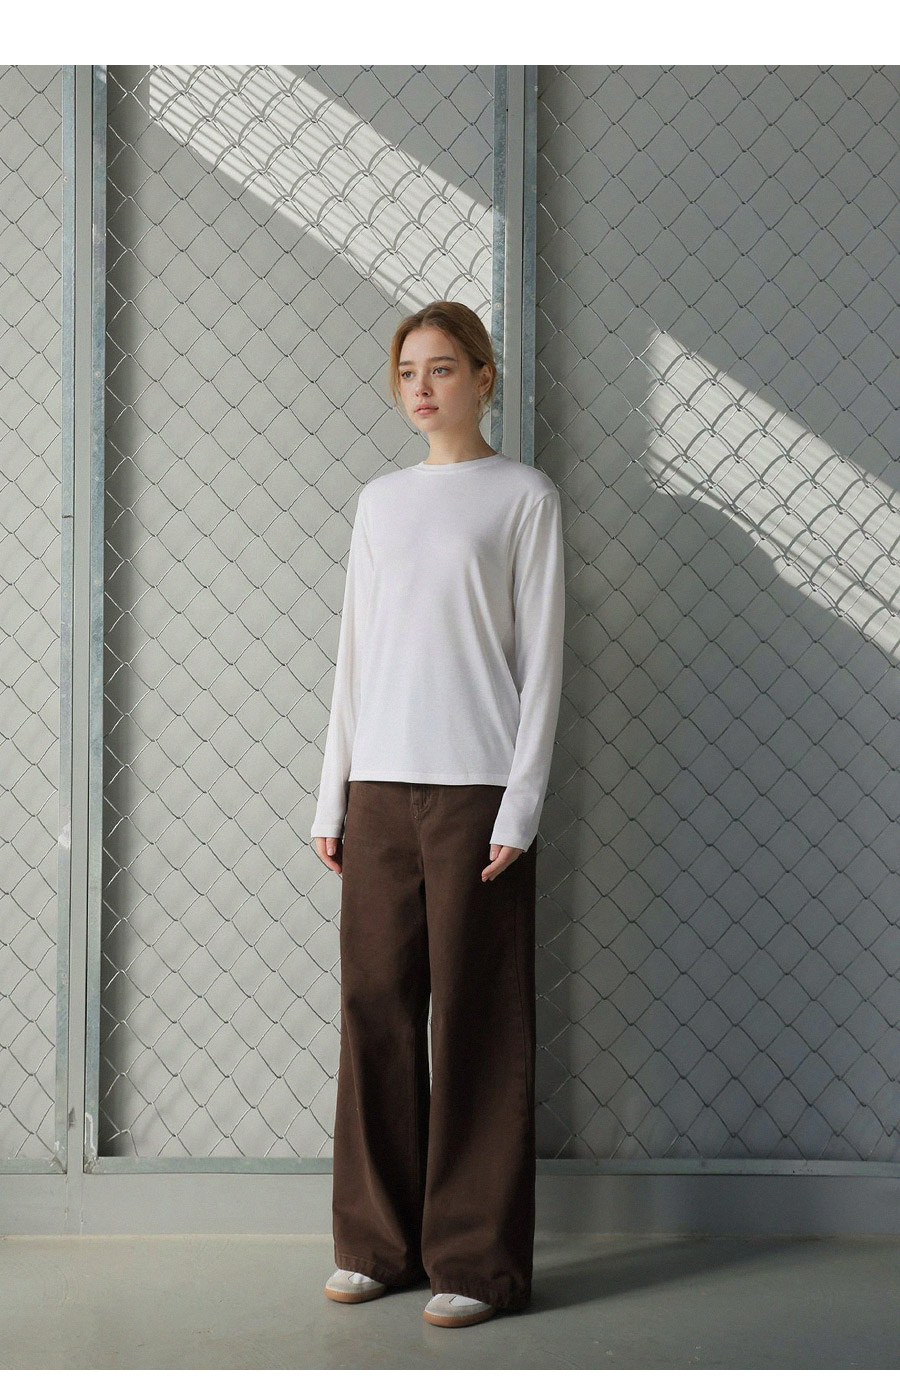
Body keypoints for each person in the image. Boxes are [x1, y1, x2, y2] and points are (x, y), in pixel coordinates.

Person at [310, 299, 566, 1328]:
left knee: (478, 1017)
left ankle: (476, 1260)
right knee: (375, 1005)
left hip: (477, 794)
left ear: (484, 378)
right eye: (409, 370)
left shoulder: (524, 496)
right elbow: (355, 655)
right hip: (379, 788)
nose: (422, 387)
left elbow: (543, 661)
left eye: (444, 368)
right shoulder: (380, 503)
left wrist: (522, 803)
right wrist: (332, 791)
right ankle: (376, 1243)